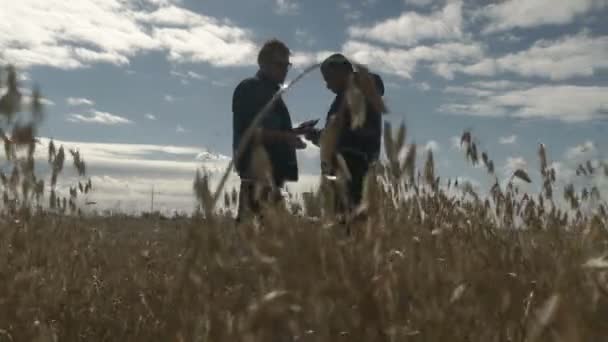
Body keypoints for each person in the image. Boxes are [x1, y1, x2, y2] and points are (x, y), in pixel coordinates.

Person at [231, 39, 312, 222]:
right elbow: (249, 132)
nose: (284, 69)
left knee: (270, 238)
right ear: (263, 63)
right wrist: (287, 137)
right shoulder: (249, 88)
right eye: (279, 64)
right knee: (253, 237)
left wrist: (295, 132)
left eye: (287, 65)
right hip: (256, 175)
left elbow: (269, 131)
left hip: (271, 177)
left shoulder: (272, 93)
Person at [304, 53, 385, 217]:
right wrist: (316, 135)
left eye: (328, 79)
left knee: (346, 224)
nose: (327, 85)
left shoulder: (355, 92)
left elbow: (338, 139)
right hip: (356, 168)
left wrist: (314, 135)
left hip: (349, 170)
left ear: (341, 71)